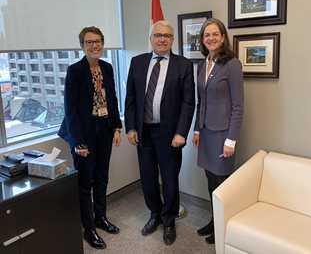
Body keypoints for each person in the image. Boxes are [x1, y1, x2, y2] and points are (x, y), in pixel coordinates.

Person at [125, 20, 195, 246]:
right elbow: (131, 98)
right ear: (151, 38)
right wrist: (131, 127)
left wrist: (181, 132)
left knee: (170, 179)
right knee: (147, 178)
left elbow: (188, 102)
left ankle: (169, 220)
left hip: (170, 135)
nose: (162, 39)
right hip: (144, 132)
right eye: (158, 35)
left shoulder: (183, 65)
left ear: (173, 39)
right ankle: (154, 214)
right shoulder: (137, 62)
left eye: (167, 35)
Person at [58, 26, 122, 249]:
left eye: (98, 41)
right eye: (89, 42)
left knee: (102, 177)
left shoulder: (107, 67)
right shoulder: (75, 71)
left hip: (104, 128)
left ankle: (100, 218)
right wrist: (78, 142)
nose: (95, 45)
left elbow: (112, 99)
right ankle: (89, 228)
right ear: (82, 46)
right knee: (85, 183)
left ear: (103, 44)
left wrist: (116, 127)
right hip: (84, 133)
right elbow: (70, 110)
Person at [192, 18, 244, 244]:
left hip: (223, 134)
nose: (210, 38)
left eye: (215, 34)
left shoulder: (232, 64)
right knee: (209, 178)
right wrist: (196, 130)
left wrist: (231, 140)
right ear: (202, 40)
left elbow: (238, 106)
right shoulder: (203, 64)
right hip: (205, 131)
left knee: (222, 182)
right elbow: (199, 102)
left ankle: (222, 225)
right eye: (206, 35)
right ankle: (214, 221)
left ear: (223, 37)